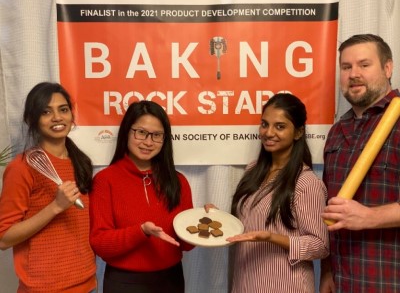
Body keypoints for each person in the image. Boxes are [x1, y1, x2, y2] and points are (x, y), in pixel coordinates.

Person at [207, 93, 329, 292]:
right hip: (245, 284)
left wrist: (271, 237)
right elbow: (248, 224)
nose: (268, 132)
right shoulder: (253, 170)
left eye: (280, 126)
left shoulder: (306, 182)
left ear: (298, 133)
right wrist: (218, 218)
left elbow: (320, 245)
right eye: (265, 124)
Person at [320, 34, 400, 292]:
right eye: (346, 67)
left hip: (389, 281)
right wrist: (328, 270)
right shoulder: (336, 132)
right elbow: (330, 209)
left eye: (364, 65)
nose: (354, 74)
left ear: (388, 68)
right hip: (343, 280)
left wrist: (370, 216)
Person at [89, 100, 194, 293]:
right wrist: (141, 231)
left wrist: (202, 222)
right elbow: (100, 243)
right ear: (127, 132)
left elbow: (186, 245)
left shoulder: (178, 181)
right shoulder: (105, 180)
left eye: (156, 135)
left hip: (171, 280)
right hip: (124, 283)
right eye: (141, 132)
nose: (148, 142)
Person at [0, 82, 96, 292]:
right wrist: (55, 207)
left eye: (63, 109)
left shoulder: (81, 162)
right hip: (44, 287)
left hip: (87, 283)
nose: (57, 118)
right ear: (31, 120)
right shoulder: (21, 167)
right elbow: (4, 238)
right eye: (46, 112)